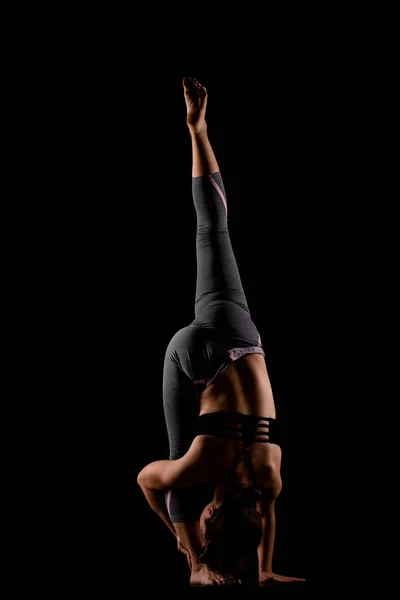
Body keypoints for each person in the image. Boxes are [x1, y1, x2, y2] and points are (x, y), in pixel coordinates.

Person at [137, 76, 306, 587]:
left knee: (213, 228)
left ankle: (197, 128)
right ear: (219, 514)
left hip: (240, 336)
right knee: (171, 471)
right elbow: (144, 480)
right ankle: (194, 567)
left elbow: (266, 519)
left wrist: (268, 568)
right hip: (191, 356)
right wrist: (188, 547)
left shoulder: (270, 475)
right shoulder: (209, 462)